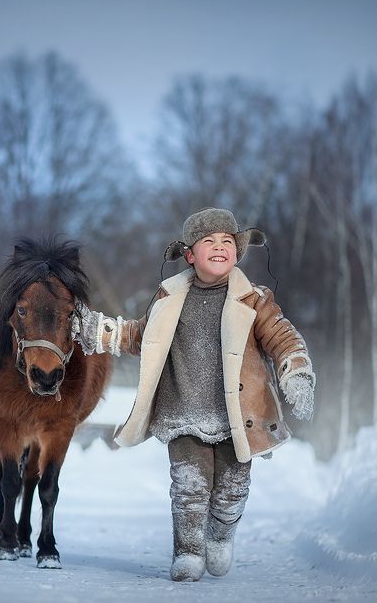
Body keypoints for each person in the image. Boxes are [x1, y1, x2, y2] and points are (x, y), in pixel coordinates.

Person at [76, 208, 315, 581]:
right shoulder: (169, 297)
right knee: (189, 486)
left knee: (232, 489)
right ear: (189, 254)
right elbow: (141, 336)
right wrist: (101, 332)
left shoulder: (254, 299)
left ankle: (219, 536)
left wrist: (296, 369)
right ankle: (187, 552)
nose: (219, 248)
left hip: (238, 416)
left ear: (237, 252)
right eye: (209, 242)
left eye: (227, 242)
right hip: (181, 411)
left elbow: (283, 338)